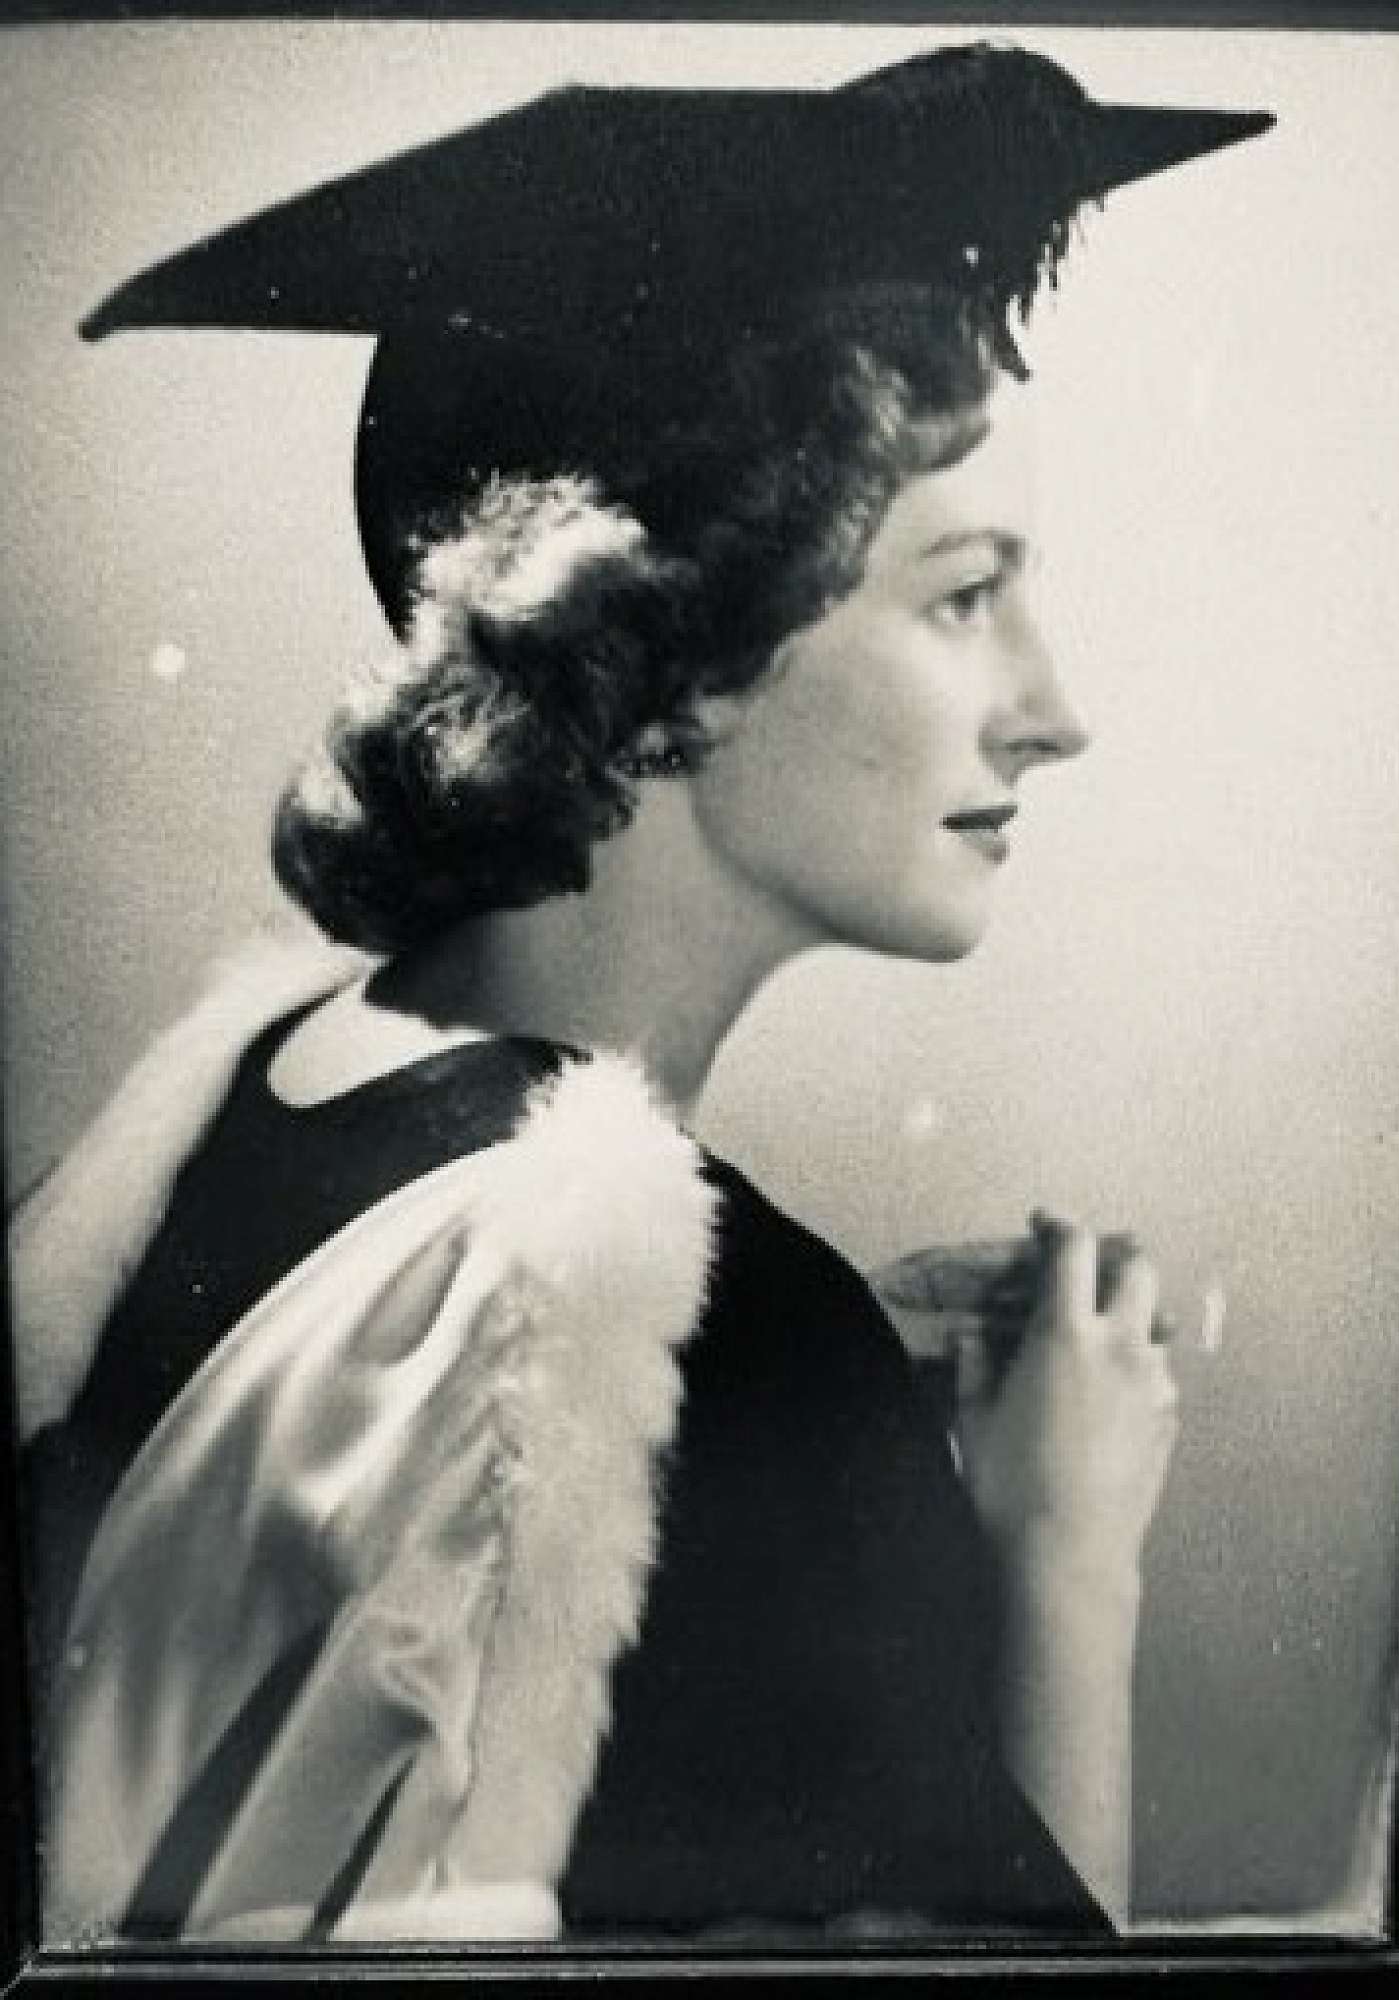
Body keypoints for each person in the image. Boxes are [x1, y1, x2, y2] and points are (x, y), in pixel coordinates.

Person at [11, 41, 1273, 1946]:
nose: (1052, 709)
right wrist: (1059, 1557)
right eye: (961, 596)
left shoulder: (250, 1098)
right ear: (668, 659)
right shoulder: (731, 1360)